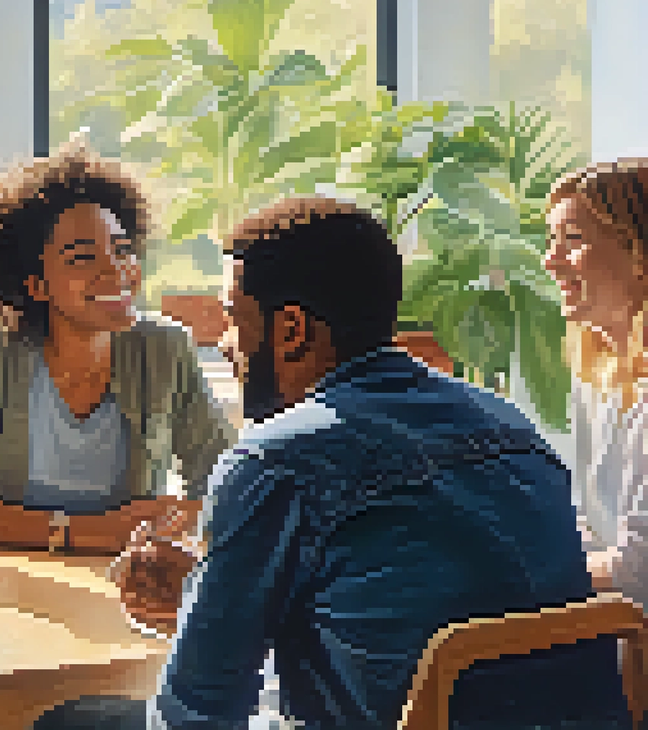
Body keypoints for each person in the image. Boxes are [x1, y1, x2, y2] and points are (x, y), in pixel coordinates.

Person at [36, 197, 628, 729]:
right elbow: (407, 605)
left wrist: (212, 608)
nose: (225, 343)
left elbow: (199, 710)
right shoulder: (508, 425)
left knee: (73, 719)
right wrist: (207, 588)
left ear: (291, 330)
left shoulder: (275, 461)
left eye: (235, 318)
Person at [0, 143, 233, 555]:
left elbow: (225, 482)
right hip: (1, 583)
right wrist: (84, 532)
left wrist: (185, 517)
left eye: (122, 249)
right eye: (82, 258)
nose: (116, 270)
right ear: (35, 284)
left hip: (125, 585)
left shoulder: (165, 348)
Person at [542, 159, 648, 607]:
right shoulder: (596, 376)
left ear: (638, 252)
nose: (550, 261)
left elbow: (639, 570)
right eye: (551, 242)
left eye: (574, 240)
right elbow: (585, 524)